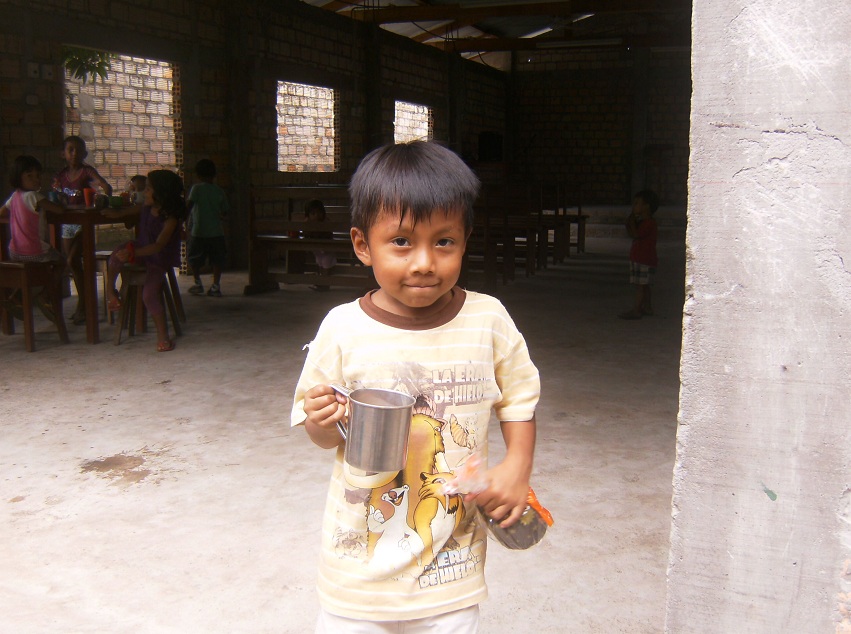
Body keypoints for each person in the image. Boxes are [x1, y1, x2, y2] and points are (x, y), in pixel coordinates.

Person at [291, 141, 540, 632]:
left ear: (465, 240)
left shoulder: (488, 319)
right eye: (402, 242)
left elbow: (519, 399)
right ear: (363, 244)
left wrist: (517, 466)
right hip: (356, 574)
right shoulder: (342, 328)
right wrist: (321, 420)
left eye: (444, 242)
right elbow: (322, 436)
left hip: (451, 570)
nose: (424, 262)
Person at [104, 170, 186, 352]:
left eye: (148, 189)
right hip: (140, 250)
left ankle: (163, 336)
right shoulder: (146, 208)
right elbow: (129, 212)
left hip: (158, 260)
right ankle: (111, 293)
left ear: (162, 194)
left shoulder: (170, 219)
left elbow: (158, 246)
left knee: (148, 295)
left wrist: (134, 253)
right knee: (116, 254)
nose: (144, 193)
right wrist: (116, 214)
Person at [52, 135, 112, 325]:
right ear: (62, 154)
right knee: (74, 265)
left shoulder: (87, 172)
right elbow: (55, 195)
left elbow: (105, 186)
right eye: (70, 149)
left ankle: (84, 306)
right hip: (67, 224)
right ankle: (83, 305)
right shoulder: (61, 176)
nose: (74, 153)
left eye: (78, 150)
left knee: (72, 260)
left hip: (83, 223)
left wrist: (102, 194)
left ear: (85, 153)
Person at [0, 155, 68, 323]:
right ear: (18, 178)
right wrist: (62, 202)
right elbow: (59, 211)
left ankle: (16, 298)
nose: (36, 179)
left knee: (30, 274)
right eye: (29, 176)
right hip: (35, 252)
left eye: (38, 175)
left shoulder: (14, 197)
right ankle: (44, 294)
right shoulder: (34, 197)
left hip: (15, 252)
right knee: (62, 262)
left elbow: (2, 212)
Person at [186, 159, 228, 297]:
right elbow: (225, 211)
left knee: (193, 258)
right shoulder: (219, 191)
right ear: (214, 174)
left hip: (199, 232)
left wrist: (182, 220)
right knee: (217, 260)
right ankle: (215, 286)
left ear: (197, 175)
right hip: (217, 232)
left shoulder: (196, 189)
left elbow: (189, 206)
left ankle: (198, 283)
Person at [619, 189, 659, 320]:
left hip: (644, 259)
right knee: (644, 285)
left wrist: (631, 222)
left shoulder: (649, 223)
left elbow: (636, 234)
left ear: (646, 206)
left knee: (641, 286)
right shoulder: (642, 221)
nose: (634, 206)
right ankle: (647, 307)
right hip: (639, 257)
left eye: (637, 203)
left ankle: (636, 309)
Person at [303, 198, 337, 291]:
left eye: (319, 213)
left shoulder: (326, 222)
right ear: (308, 215)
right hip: (317, 249)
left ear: (323, 213)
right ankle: (320, 281)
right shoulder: (308, 223)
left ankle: (325, 283)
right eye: (313, 214)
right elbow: (305, 233)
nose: (316, 216)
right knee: (319, 263)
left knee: (326, 263)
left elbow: (328, 234)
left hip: (327, 248)